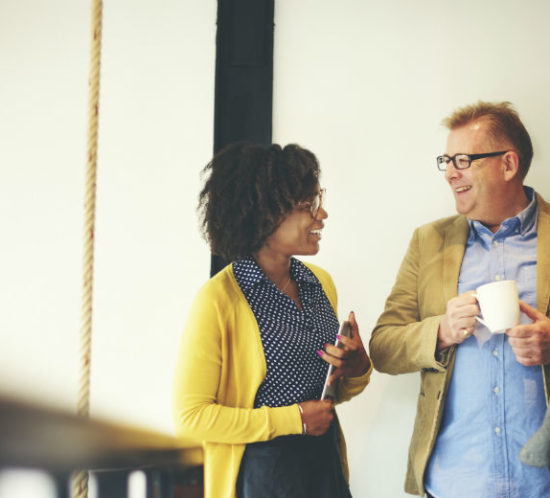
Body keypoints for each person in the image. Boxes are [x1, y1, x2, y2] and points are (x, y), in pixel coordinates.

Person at [369, 101, 550, 497]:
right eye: (447, 160)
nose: (451, 173)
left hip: (541, 482)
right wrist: (441, 331)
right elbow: (383, 347)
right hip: (457, 482)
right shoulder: (428, 242)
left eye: (464, 160)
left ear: (508, 164)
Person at [173, 143, 372, 498]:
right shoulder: (218, 301)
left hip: (323, 465)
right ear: (264, 214)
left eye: (318, 200)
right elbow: (192, 418)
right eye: (308, 205)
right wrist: (293, 419)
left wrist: (356, 369)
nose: (321, 214)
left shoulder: (319, 283)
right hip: (262, 473)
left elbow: (325, 395)